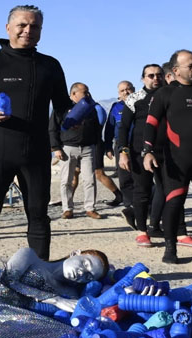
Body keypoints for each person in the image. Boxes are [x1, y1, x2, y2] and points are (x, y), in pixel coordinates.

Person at [0, 5, 73, 273]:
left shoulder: (50, 65)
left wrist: (77, 115)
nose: (28, 30)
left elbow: (61, 106)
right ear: (8, 28)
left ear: (41, 31)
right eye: (22, 25)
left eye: (34, 26)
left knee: (38, 214)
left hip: (35, 151)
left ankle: (39, 274)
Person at [142, 49, 192, 263]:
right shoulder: (166, 93)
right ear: (176, 70)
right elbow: (150, 124)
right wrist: (148, 151)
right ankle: (170, 249)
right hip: (176, 160)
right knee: (174, 203)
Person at [116, 64, 166, 247]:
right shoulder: (134, 99)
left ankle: (167, 228)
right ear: (143, 78)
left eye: (158, 75)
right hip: (138, 152)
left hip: (166, 152)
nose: (155, 78)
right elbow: (123, 128)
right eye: (150, 75)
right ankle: (142, 231)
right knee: (142, 191)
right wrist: (123, 152)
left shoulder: (169, 95)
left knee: (168, 191)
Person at [49, 82, 102, 220]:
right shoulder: (62, 108)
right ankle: (67, 209)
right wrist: (56, 148)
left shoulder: (90, 108)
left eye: (88, 92)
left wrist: (97, 144)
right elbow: (52, 128)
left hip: (88, 147)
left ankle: (90, 208)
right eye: (85, 92)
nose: (88, 95)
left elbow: (96, 126)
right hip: (68, 148)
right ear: (74, 94)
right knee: (66, 180)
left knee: (89, 179)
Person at [1, 247, 110, 311]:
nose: (82, 272)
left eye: (88, 277)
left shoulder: (70, 294)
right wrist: (56, 300)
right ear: (75, 253)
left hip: (16, 319)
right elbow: (6, 281)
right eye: (85, 264)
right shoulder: (29, 255)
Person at [105, 80, 135, 215]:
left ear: (133, 89)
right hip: (122, 146)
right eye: (122, 90)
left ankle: (147, 205)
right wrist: (108, 147)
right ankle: (129, 206)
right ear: (119, 93)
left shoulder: (142, 105)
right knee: (125, 176)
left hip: (138, 144)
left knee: (141, 176)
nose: (126, 92)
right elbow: (110, 128)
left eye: (128, 89)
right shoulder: (116, 107)